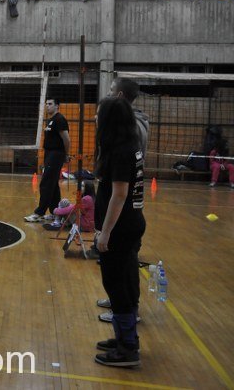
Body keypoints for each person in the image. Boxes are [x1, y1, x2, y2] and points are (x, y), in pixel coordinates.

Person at [93, 96, 146, 368]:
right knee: (123, 282)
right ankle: (125, 338)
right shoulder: (127, 145)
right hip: (130, 224)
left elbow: (120, 194)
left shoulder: (121, 151)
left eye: (99, 115)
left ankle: (127, 349)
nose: (95, 119)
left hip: (121, 229)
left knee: (116, 284)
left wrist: (105, 232)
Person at [25, 98, 70, 222]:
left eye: (50, 104)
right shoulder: (51, 120)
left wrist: (66, 154)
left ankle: (39, 213)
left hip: (56, 154)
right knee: (53, 184)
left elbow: (66, 139)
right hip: (49, 153)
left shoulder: (60, 119)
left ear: (57, 106)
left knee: (46, 183)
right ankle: (55, 212)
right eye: (46, 104)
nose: (47, 106)